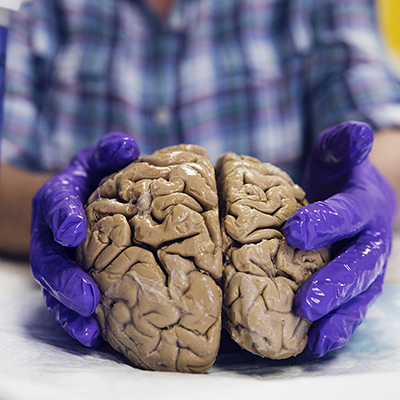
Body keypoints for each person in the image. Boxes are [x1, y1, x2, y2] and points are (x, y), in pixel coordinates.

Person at [0, 0, 399, 357]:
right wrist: (51, 208)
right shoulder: (40, 9)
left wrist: (368, 185)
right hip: (96, 297)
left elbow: (382, 126)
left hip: (284, 270)